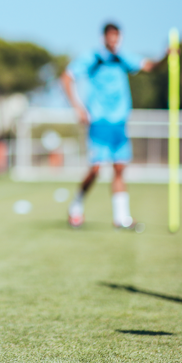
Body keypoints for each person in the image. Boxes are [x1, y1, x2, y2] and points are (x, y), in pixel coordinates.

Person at [61, 23, 159, 229]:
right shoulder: (93, 58)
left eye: (117, 37)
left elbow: (149, 66)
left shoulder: (123, 58)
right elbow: (67, 77)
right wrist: (78, 108)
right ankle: (76, 206)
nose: (114, 41)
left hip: (119, 123)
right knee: (96, 168)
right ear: (104, 37)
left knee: (120, 167)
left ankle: (121, 218)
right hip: (99, 121)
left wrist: (167, 56)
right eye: (111, 37)